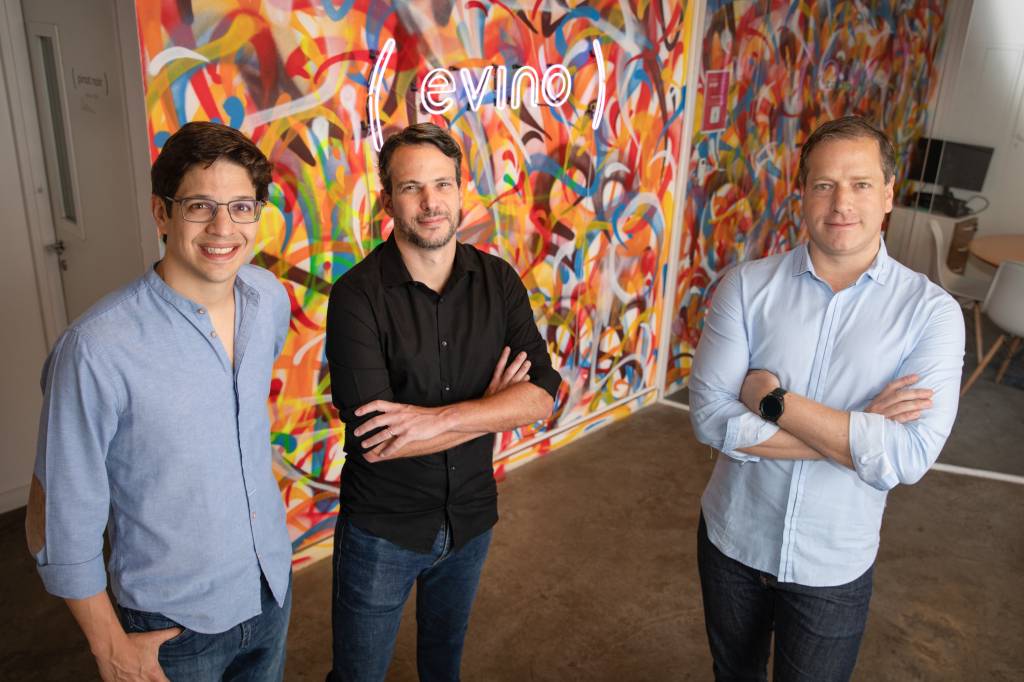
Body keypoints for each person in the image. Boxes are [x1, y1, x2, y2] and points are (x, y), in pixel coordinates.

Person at [688, 116, 965, 681]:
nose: (842, 202)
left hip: (832, 565)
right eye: (823, 184)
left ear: (889, 194)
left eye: (861, 184)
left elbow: (907, 457)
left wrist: (773, 401)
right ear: (802, 193)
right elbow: (711, 419)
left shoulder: (931, 314)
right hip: (731, 541)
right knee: (732, 674)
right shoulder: (746, 286)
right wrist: (859, 432)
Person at [26, 121, 294, 681]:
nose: (224, 227)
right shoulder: (97, 347)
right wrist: (110, 648)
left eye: (241, 207)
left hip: (270, 589)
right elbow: (54, 516)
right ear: (161, 213)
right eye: (200, 205)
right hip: (169, 627)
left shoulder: (267, 298)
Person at [325, 122, 562, 682]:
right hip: (383, 530)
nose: (430, 202)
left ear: (461, 190)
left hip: (471, 518)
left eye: (442, 184)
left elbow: (543, 394)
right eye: (411, 187)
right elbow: (377, 441)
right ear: (388, 199)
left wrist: (440, 419)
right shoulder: (357, 296)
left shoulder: (498, 280)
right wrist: (495, 406)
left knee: (444, 669)